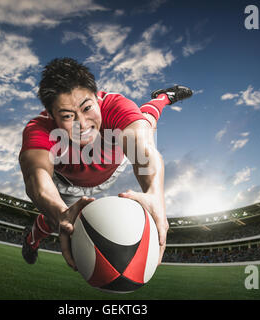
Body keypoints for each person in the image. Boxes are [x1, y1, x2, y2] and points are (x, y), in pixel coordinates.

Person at [18, 57, 192, 270]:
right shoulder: (39, 128)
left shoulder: (115, 105)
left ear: (96, 98)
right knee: (56, 219)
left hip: (113, 164)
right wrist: (59, 212)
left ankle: (163, 97)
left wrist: (155, 193)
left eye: (87, 107)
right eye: (66, 116)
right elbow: (37, 177)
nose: (82, 124)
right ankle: (31, 241)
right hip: (70, 183)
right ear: (51, 116)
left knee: (144, 127)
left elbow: (143, 151)